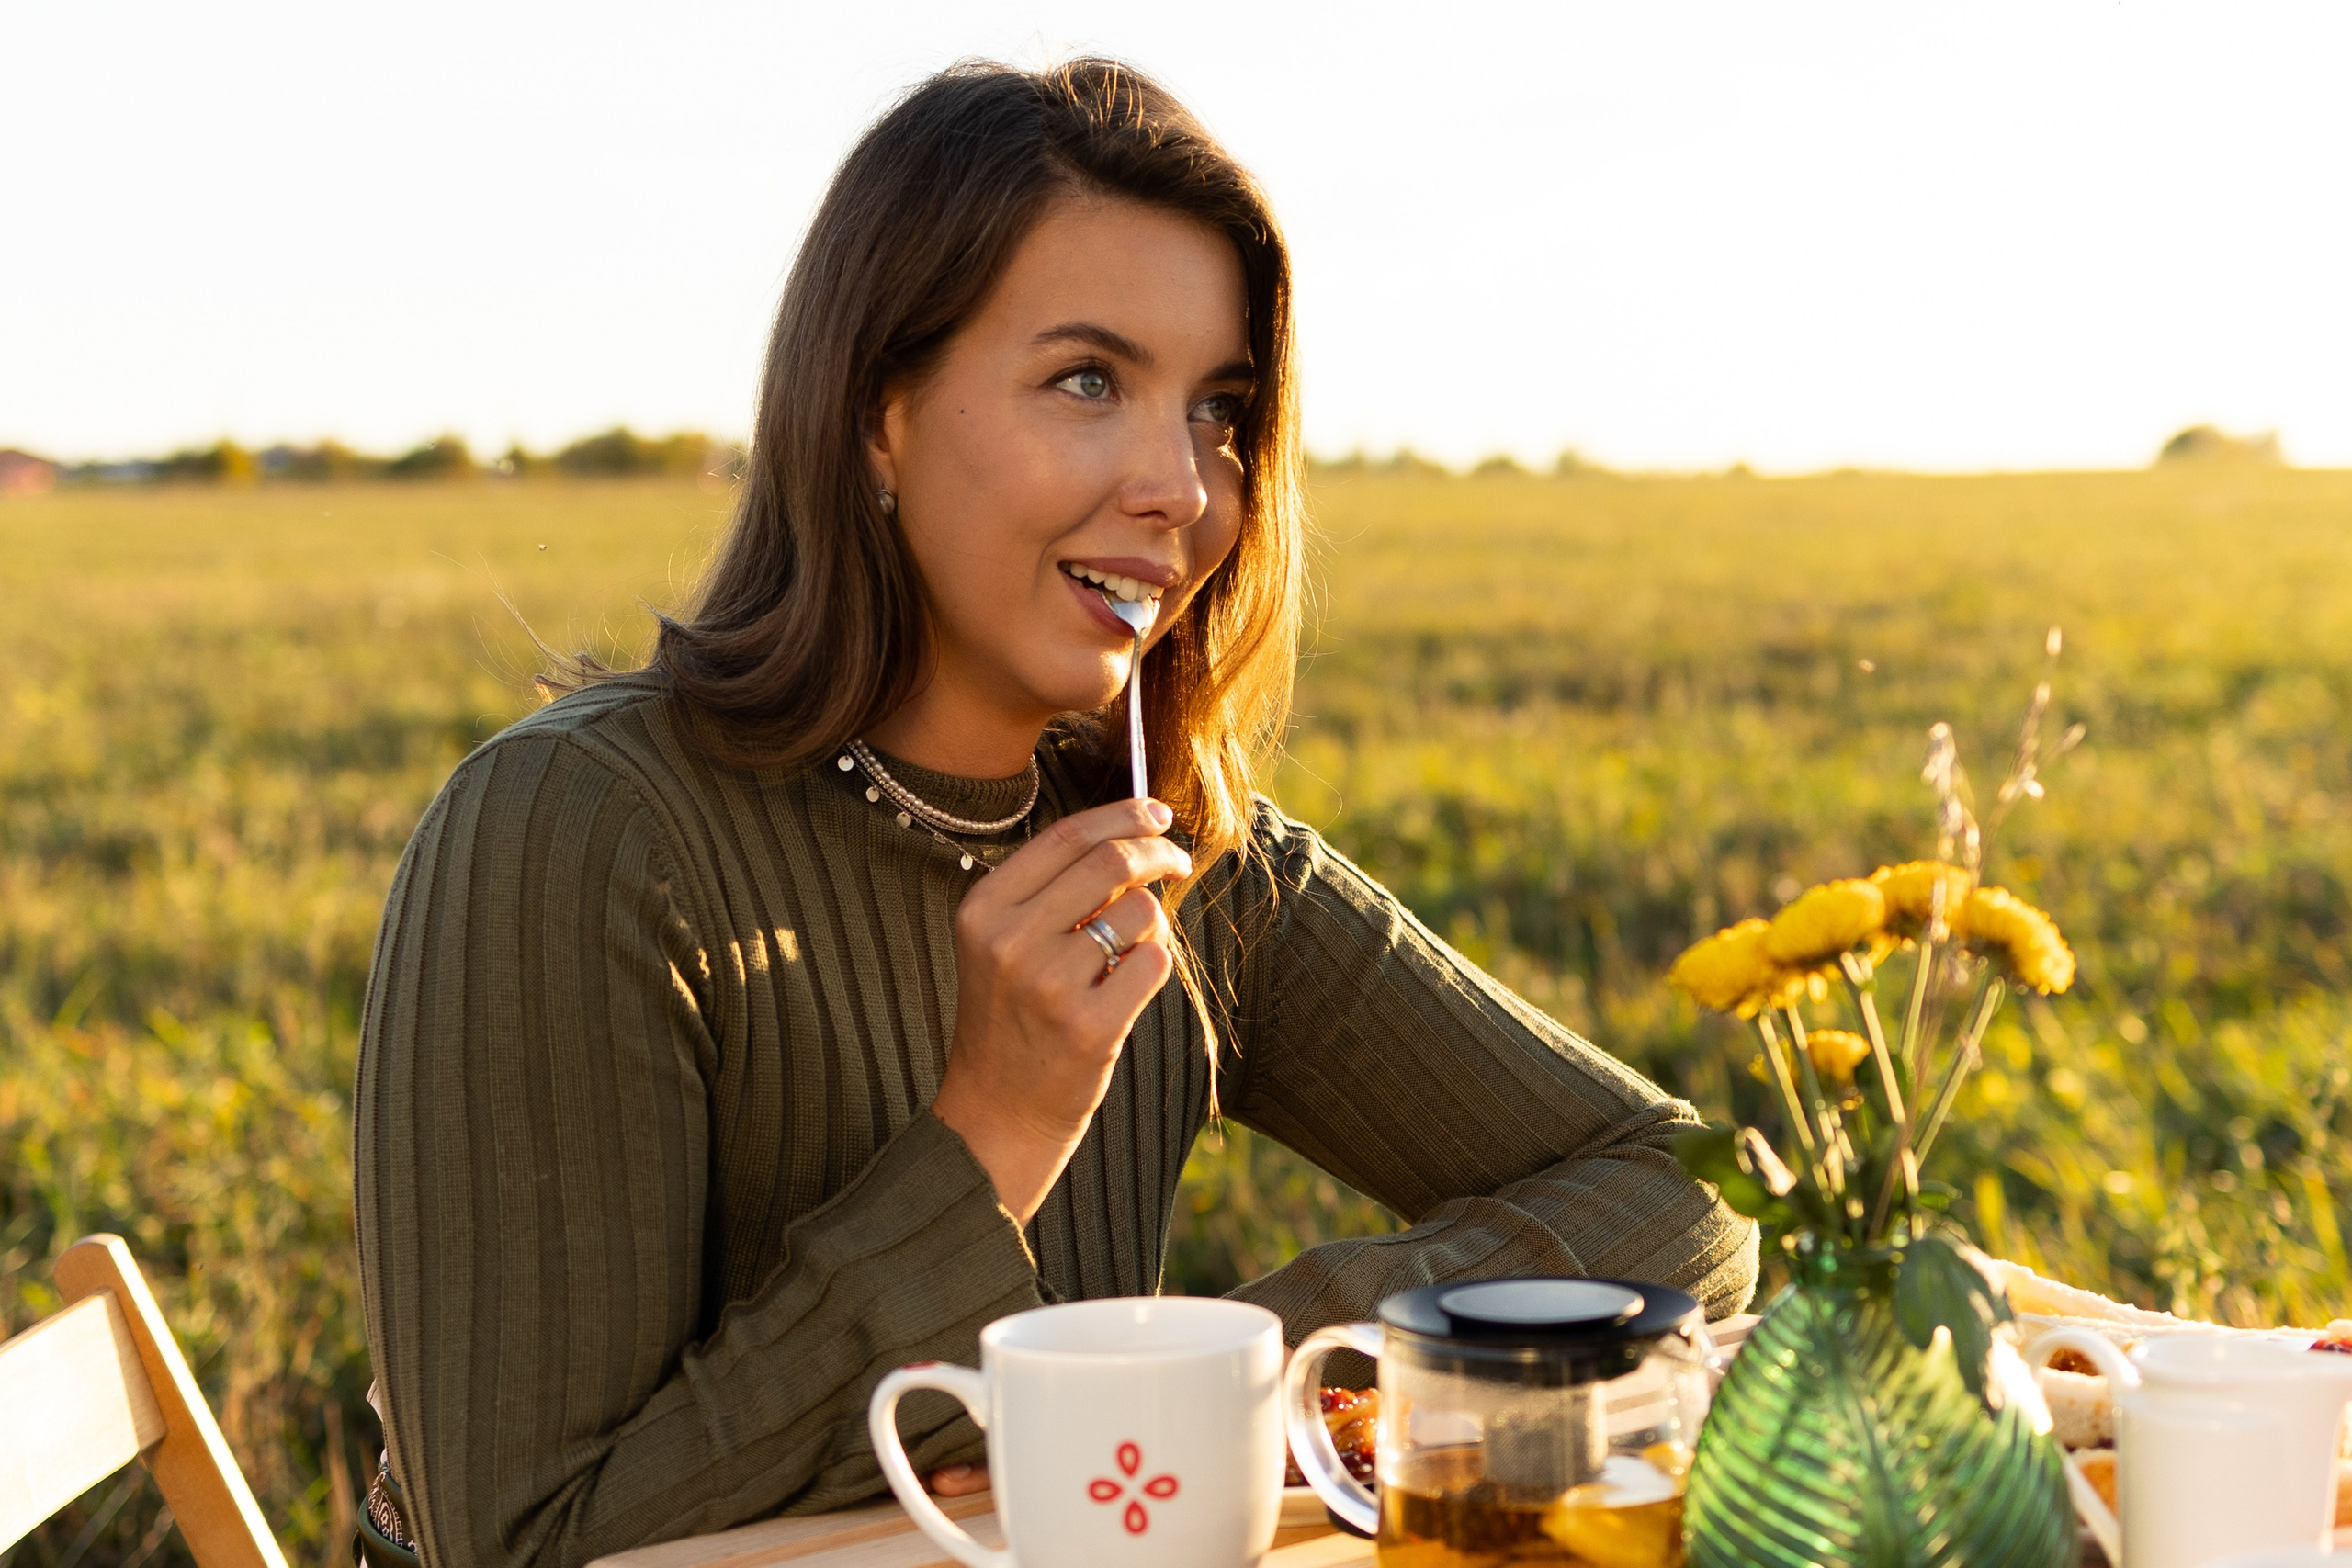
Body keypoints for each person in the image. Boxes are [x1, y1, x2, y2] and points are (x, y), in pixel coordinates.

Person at [353, 57, 1757, 1568]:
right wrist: (993, 1129)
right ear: (876, 412)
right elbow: (520, 1541)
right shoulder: (579, 832)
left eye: (1220, 409)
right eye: (1089, 380)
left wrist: (1212, 1372)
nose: (1181, 487)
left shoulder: (1177, 846)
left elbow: (1683, 1191)